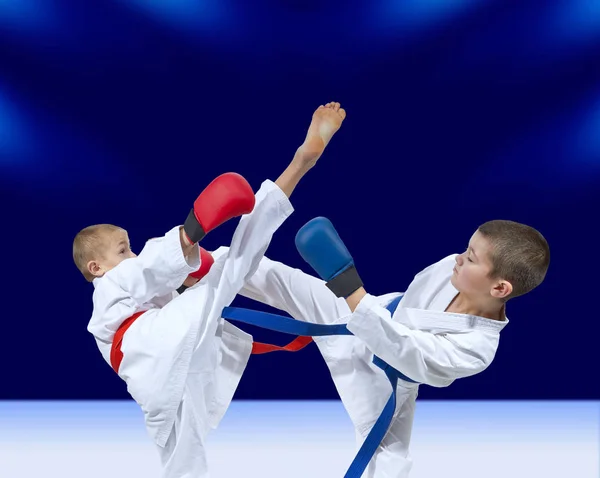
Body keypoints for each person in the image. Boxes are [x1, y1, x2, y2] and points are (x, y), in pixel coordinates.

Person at [72, 102, 347, 478]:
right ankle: (298, 166)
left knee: (184, 457)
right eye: (122, 250)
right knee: (234, 263)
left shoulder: (135, 293)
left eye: (130, 247)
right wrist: (187, 236)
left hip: (168, 377)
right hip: (157, 346)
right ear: (95, 267)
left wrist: (190, 265)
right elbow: (147, 270)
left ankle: (296, 173)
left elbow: (157, 276)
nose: (131, 254)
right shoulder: (109, 286)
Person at [223, 216, 550, 477]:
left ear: (499, 287)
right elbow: (404, 305)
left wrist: (348, 286)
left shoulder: (478, 347)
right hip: (365, 311)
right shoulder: (450, 268)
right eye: (466, 249)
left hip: (386, 384)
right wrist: (358, 301)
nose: (459, 259)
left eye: (471, 258)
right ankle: (192, 266)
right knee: (276, 278)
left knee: (388, 465)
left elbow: (409, 353)